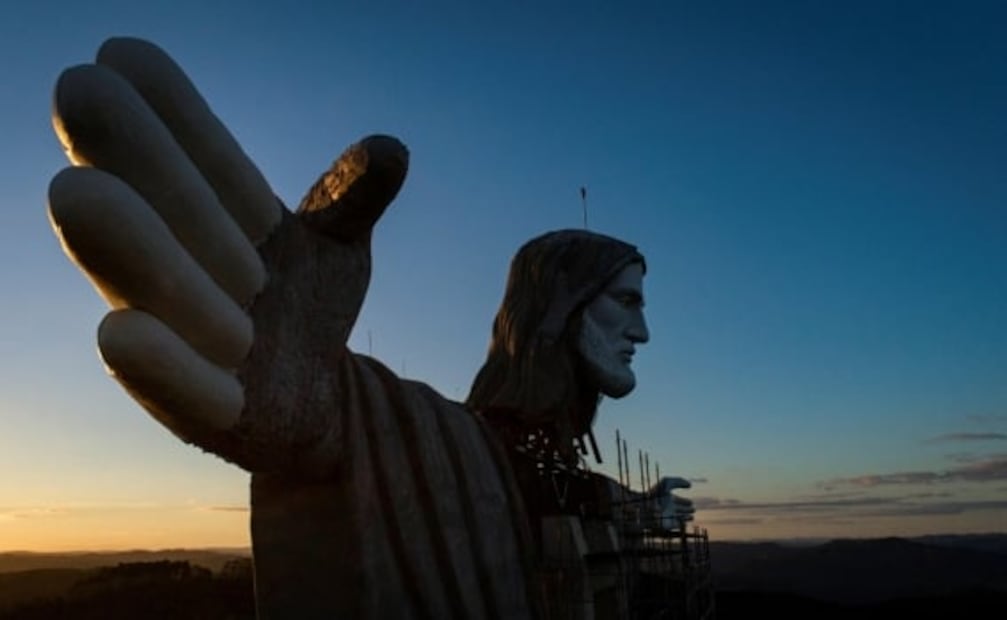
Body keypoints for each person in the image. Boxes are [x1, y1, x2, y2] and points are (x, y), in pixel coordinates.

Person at [48, 37, 687, 619]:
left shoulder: (539, 463)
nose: (643, 332)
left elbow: (550, 486)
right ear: (561, 309)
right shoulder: (458, 445)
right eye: (625, 302)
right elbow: (397, 445)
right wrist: (326, 400)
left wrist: (641, 506)